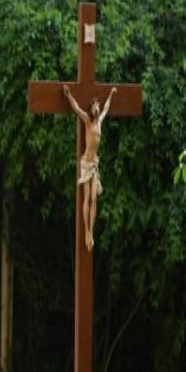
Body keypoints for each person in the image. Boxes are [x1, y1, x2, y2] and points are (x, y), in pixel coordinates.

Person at [63, 85, 117, 251]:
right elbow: (77, 109)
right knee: (87, 198)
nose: (97, 109)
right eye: (95, 107)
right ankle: (87, 231)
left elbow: (107, 108)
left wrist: (111, 95)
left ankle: (90, 232)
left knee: (94, 199)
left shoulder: (100, 122)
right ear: (91, 109)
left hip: (94, 164)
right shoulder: (87, 121)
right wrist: (68, 95)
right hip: (86, 163)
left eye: (98, 107)